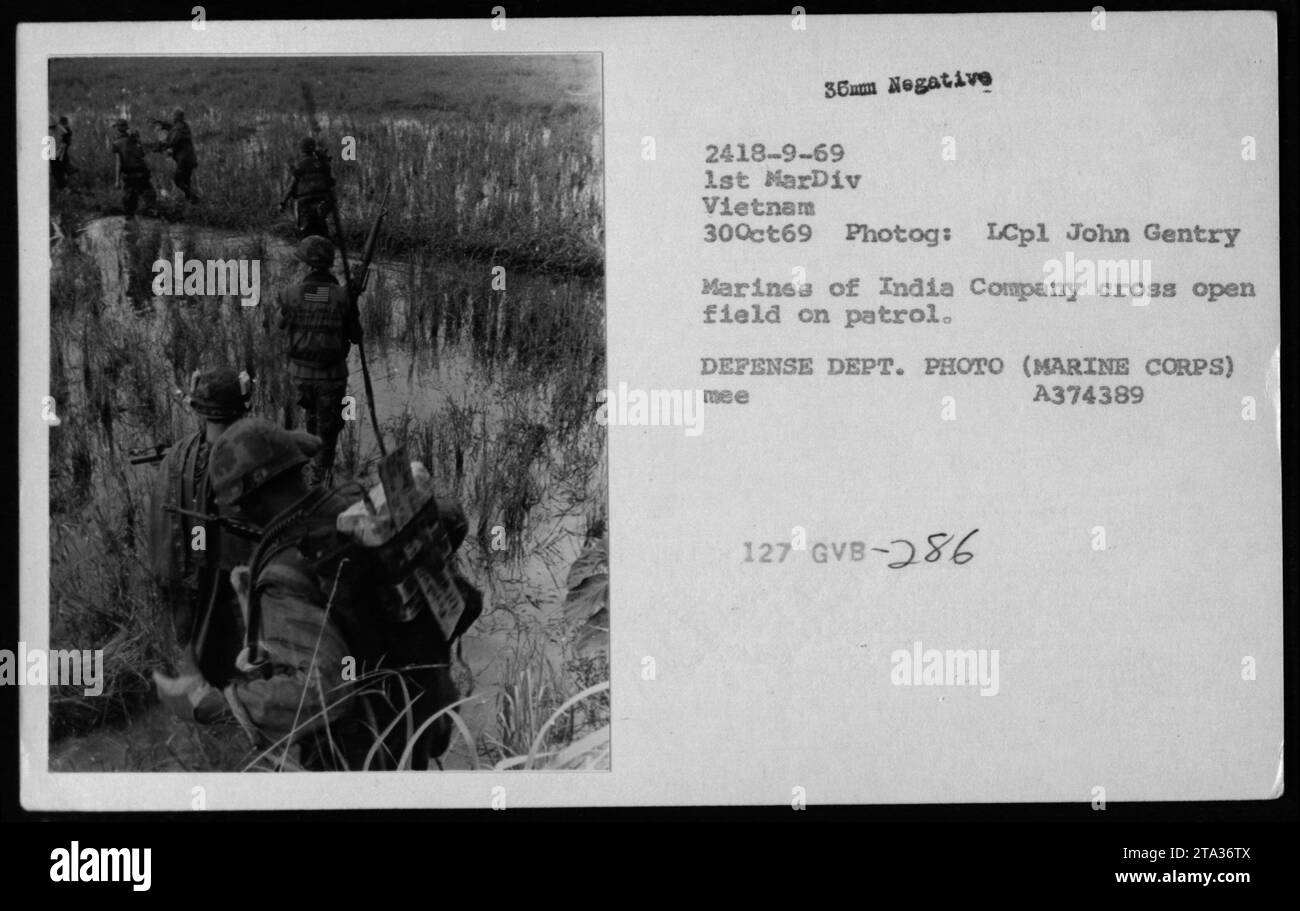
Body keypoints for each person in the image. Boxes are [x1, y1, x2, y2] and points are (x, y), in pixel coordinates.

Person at [202, 417, 479, 769]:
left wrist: (228, 703)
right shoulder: (357, 507)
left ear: (242, 505)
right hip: (426, 706)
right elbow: (453, 520)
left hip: (367, 751)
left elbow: (325, 689)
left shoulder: (285, 578)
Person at [149, 366, 254, 722]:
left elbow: (161, 542)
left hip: (183, 593)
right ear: (241, 411)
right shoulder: (249, 463)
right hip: (227, 597)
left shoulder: (174, 458)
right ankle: (232, 707)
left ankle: (203, 694)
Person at [276, 235, 363, 486]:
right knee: (330, 429)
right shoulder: (341, 296)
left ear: (306, 265)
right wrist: (351, 304)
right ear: (329, 264)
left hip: (300, 376)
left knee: (312, 420)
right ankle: (320, 482)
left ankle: (311, 471)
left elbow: (279, 324)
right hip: (332, 376)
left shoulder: (291, 294)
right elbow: (356, 336)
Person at [281, 136, 335, 239]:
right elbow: (331, 182)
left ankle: (308, 250)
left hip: (305, 204)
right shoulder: (323, 164)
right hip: (322, 202)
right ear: (313, 149)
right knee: (322, 230)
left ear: (301, 150)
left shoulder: (300, 166)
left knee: (305, 233)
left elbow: (291, 186)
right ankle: (324, 249)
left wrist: (283, 202)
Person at [110, 119, 155, 217]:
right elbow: (143, 154)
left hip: (130, 175)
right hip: (142, 172)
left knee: (129, 202)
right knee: (149, 196)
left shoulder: (116, 143)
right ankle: (152, 215)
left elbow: (118, 163)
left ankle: (131, 223)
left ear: (118, 129)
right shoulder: (134, 139)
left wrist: (117, 181)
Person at [153, 108, 200, 202]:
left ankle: (194, 197)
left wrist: (158, 147)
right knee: (186, 180)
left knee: (178, 180)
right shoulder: (184, 126)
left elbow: (171, 142)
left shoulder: (178, 129)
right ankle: (191, 201)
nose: (172, 117)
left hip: (184, 160)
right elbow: (172, 128)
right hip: (190, 159)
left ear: (177, 117)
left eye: (173, 115)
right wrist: (162, 124)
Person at [49, 115, 72, 188]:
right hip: (55, 150)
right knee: (57, 168)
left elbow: (65, 143)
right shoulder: (62, 130)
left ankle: (62, 184)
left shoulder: (64, 131)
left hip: (59, 151)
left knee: (60, 168)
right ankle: (61, 183)